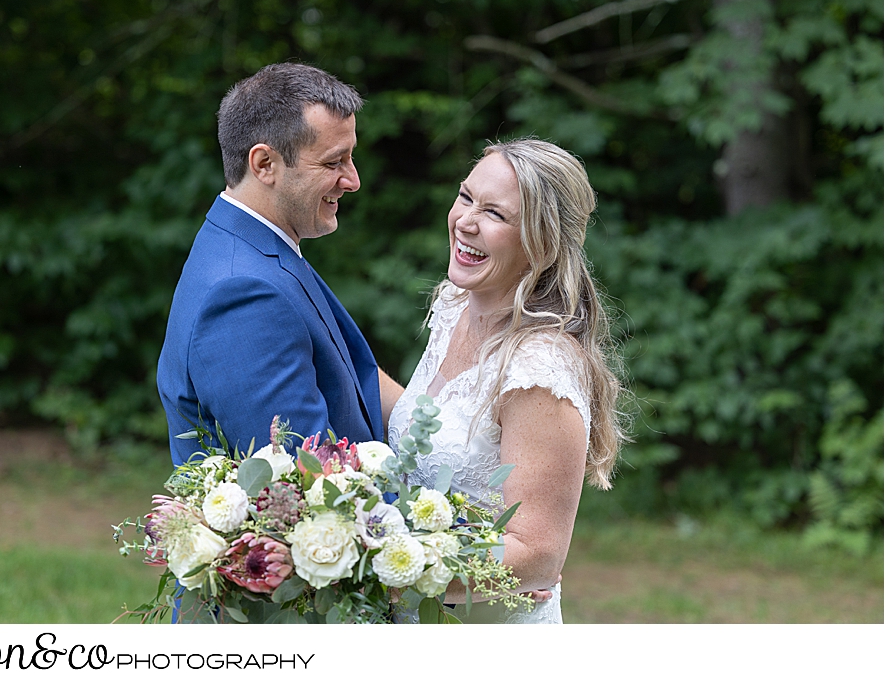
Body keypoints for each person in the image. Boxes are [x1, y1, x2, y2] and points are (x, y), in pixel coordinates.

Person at [388, 138, 628, 624]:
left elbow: (536, 555)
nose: (465, 221)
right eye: (465, 197)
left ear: (542, 242)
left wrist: (373, 575)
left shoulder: (538, 368)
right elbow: (426, 421)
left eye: (494, 214)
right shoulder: (454, 305)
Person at [156, 62, 403, 469]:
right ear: (264, 164)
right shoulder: (243, 294)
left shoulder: (258, 248)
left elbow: (353, 377)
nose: (353, 180)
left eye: (350, 158)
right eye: (333, 162)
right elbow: (308, 484)